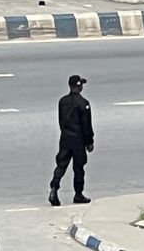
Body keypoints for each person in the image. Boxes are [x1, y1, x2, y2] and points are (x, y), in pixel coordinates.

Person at [49, 75, 94, 207]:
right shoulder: (84, 104)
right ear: (79, 86)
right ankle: (78, 194)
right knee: (78, 168)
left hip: (65, 138)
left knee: (61, 165)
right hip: (78, 141)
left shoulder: (62, 101)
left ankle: (54, 188)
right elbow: (86, 125)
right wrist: (89, 141)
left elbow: (61, 120)